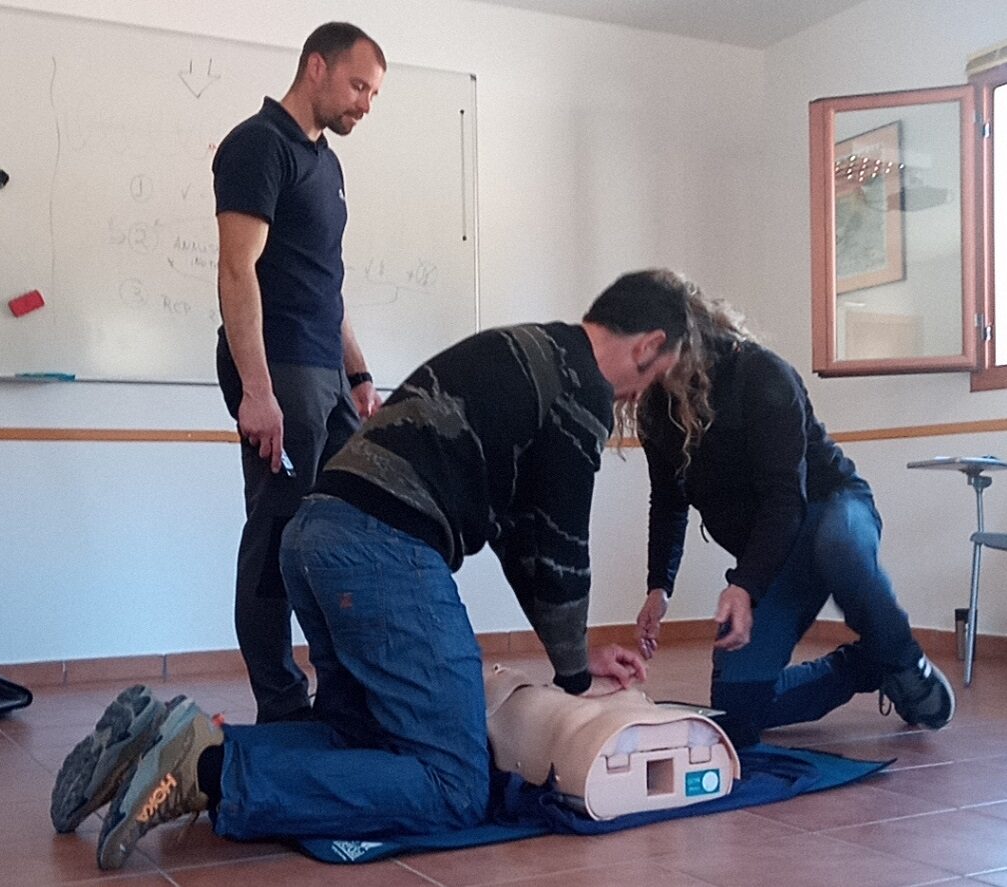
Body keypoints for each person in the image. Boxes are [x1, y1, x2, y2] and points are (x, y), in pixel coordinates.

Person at [51, 270, 690, 870]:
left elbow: (523, 538)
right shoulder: (582, 388)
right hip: (382, 549)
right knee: (453, 785)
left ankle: (156, 742)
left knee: (361, 735)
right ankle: (203, 772)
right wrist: (574, 680)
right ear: (649, 346)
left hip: (318, 532)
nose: (642, 397)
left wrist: (575, 656)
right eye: (657, 377)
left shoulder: (532, 348)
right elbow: (560, 546)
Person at [631, 269, 955, 748]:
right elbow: (668, 500)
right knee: (736, 712)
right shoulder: (656, 410)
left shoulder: (761, 374)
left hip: (830, 508)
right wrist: (659, 587)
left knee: (839, 546)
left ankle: (905, 660)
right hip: (778, 551)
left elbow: (785, 497)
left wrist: (745, 584)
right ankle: (868, 664)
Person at [213, 23, 386, 723]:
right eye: (358, 86)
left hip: (325, 374)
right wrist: (257, 392)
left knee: (342, 529)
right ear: (317, 66)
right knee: (276, 539)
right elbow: (236, 270)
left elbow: (325, 285)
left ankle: (341, 692)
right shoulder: (259, 145)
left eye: (373, 94)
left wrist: (359, 374)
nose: (365, 104)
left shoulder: (326, 164)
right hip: (278, 370)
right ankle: (282, 706)